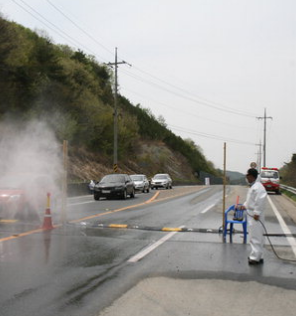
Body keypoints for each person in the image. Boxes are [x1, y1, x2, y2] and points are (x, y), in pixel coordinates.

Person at [239, 168, 267, 265]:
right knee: (257, 236)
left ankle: (255, 257)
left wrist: (257, 213)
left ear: (251, 176)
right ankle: (259, 255)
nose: (247, 178)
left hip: (255, 215)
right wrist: (245, 205)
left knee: (255, 236)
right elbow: (251, 200)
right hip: (252, 214)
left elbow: (260, 201)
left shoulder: (258, 188)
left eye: (248, 176)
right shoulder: (254, 186)